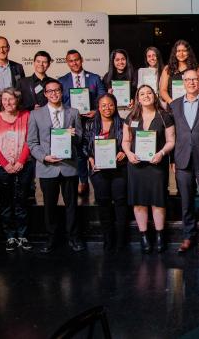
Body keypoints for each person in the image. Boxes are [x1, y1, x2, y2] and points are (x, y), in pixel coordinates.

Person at [26, 78, 84, 253]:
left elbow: (80, 139)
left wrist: (73, 136)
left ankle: (73, 238)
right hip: (47, 167)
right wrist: (44, 157)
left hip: (68, 166)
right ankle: (51, 238)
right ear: (45, 94)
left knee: (72, 205)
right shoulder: (35, 115)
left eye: (57, 90)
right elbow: (32, 143)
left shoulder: (73, 112)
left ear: (62, 91)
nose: (54, 93)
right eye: (50, 91)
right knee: (49, 206)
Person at [169, 69, 199, 254]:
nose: (191, 82)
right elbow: (172, 136)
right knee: (186, 201)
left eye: (195, 79)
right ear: (183, 83)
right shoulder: (174, 106)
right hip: (182, 159)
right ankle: (188, 236)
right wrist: (172, 159)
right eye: (188, 80)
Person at [122, 85, 175, 254]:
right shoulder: (131, 117)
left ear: (155, 95)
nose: (146, 96)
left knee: (158, 201)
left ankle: (160, 235)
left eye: (149, 93)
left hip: (156, 164)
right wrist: (128, 153)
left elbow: (171, 141)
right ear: (137, 98)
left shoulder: (164, 116)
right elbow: (125, 141)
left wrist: (161, 153)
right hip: (136, 166)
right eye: (142, 94)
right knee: (139, 202)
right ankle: (143, 236)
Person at [0, 88, 34, 252]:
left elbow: (30, 140)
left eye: (11, 99)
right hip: (1, 167)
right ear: (1, 101)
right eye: (5, 99)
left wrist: (21, 161)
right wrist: (5, 164)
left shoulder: (26, 116)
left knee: (22, 201)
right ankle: (10, 236)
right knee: (6, 203)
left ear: (17, 101)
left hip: (24, 166)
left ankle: (23, 235)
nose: (8, 103)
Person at [82, 93, 128, 252]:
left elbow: (129, 143)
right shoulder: (89, 124)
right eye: (103, 105)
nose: (107, 108)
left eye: (110, 104)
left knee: (121, 203)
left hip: (119, 169)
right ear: (98, 107)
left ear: (115, 106)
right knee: (103, 203)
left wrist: (123, 151)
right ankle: (108, 239)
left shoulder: (123, 124)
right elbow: (84, 146)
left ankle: (122, 240)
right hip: (98, 171)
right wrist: (91, 159)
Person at [59, 49, 107, 193]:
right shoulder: (62, 80)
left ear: (82, 60)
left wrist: (96, 111)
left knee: (95, 150)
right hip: (73, 122)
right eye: (71, 60)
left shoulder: (94, 78)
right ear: (67, 62)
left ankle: (100, 182)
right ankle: (83, 181)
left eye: (77, 59)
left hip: (92, 121)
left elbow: (103, 98)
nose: (74, 63)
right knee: (79, 154)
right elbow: (59, 103)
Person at [160, 40, 198, 105]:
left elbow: (198, 88)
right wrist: (171, 102)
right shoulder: (168, 69)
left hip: (191, 104)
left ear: (188, 52)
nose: (181, 54)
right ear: (175, 53)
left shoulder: (194, 68)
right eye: (178, 51)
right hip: (173, 105)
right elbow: (163, 90)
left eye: (184, 51)